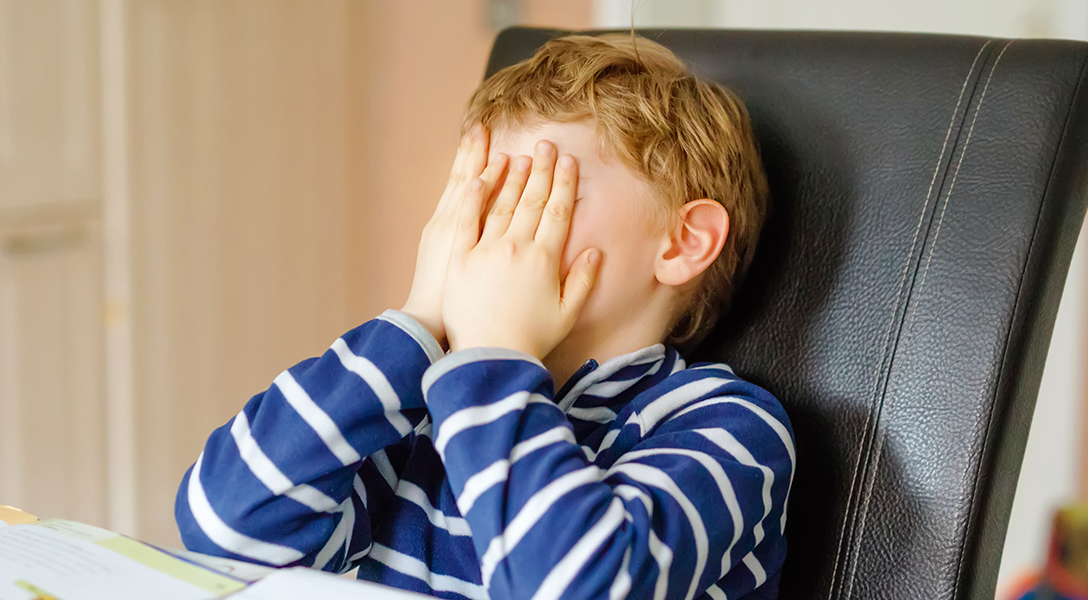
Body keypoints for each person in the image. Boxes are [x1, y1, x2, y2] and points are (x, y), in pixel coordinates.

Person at [175, 33, 794, 600]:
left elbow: (574, 586)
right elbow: (223, 533)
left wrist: (498, 353)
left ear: (684, 243)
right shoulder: (422, 413)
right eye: (478, 193)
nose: (491, 230)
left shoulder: (728, 427)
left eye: (538, 194)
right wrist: (419, 322)